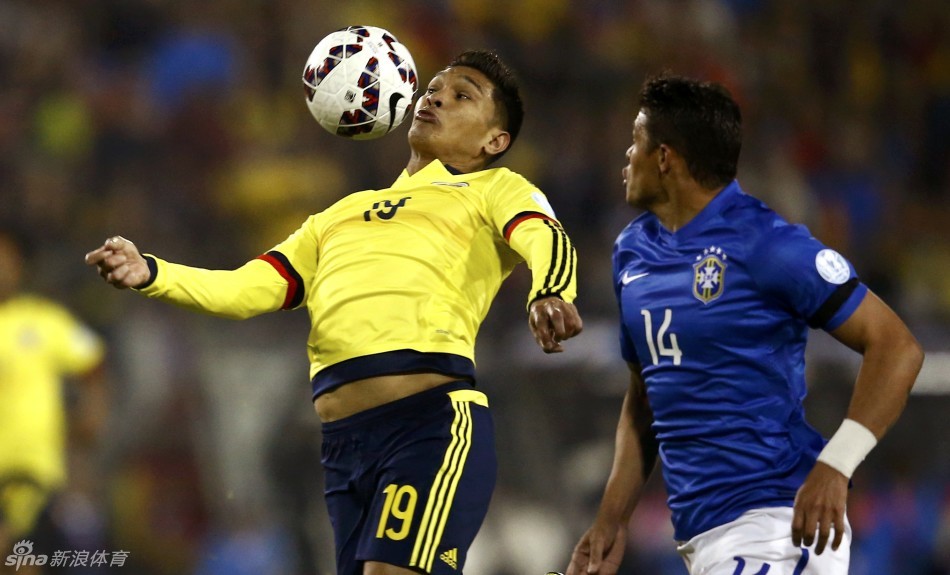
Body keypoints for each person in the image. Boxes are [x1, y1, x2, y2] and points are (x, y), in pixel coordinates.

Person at [86, 49, 583, 575]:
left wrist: (550, 291)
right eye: (434, 88)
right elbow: (246, 288)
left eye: (462, 95)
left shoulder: (495, 189)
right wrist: (153, 273)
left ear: (494, 141)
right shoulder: (337, 216)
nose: (436, 97)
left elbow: (543, 236)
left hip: (428, 424)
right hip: (344, 445)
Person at [565, 74, 923, 575]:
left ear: (665, 157)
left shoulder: (766, 243)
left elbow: (897, 346)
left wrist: (837, 464)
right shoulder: (632, 251)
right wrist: (612, 519)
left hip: (776, 525)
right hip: (702, 536)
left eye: (636, 141)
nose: (627, 155)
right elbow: (646, 397)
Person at [0, 226, 108, 551]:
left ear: (21, 266)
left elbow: (92, 361)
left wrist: (91, 414)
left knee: (25, 557)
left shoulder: (45, 320)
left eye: (6, 260)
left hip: (33, 469)